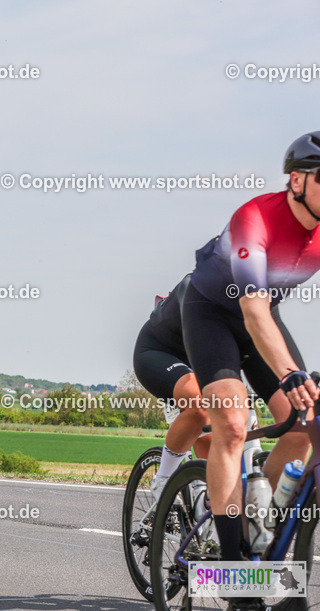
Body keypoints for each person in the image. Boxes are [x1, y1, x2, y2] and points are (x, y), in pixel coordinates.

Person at [181, 132, 320, 575]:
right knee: (233, 425)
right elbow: (254, 310)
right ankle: (232, 567)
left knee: (303, 427)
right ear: (296, 181)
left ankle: (260, 527)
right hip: (213, 315)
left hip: (263, 319)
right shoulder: (255, 218)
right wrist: (290, 373)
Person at [132, 275, 211, 515]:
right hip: (158, 352)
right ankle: (164, 480)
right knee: (199, 406)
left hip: (198, 360)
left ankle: (203, 503)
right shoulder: (197, 285)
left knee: (211, 438)